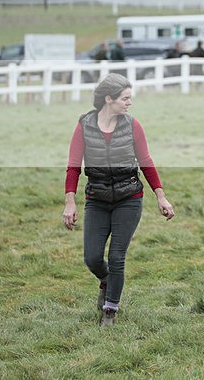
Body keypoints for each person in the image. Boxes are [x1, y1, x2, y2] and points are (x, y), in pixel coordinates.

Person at [62, 73, 175, 327]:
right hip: (97, 200)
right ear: (108, 99)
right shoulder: (84, 126)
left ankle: (110, 310)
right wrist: (70, 201)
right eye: (125, 98)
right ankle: (106, 280)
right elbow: (72, 167)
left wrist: (161, 197)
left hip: (129, 198)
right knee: (92, 258)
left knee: (116, 256)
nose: (129, 103)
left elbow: (146, 163)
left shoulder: (133, 125)